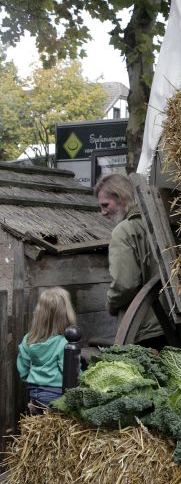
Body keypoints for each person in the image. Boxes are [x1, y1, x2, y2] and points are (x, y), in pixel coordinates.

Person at [94, 173, 167, 350]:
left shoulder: (124, 231)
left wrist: (112, 303)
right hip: (171, 323)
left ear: (121, 198)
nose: (102, 212)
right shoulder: (159, 223)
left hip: (144, 327)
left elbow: (124, 284)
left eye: (105, 205)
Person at [17, 287, 76, 414]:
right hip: (56, 396)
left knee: (38, 422)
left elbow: (23, 368)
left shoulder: (28, 339)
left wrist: (33, 380)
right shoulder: (64, 343)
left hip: (34, 392)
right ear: (65, 315)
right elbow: (71, 372)